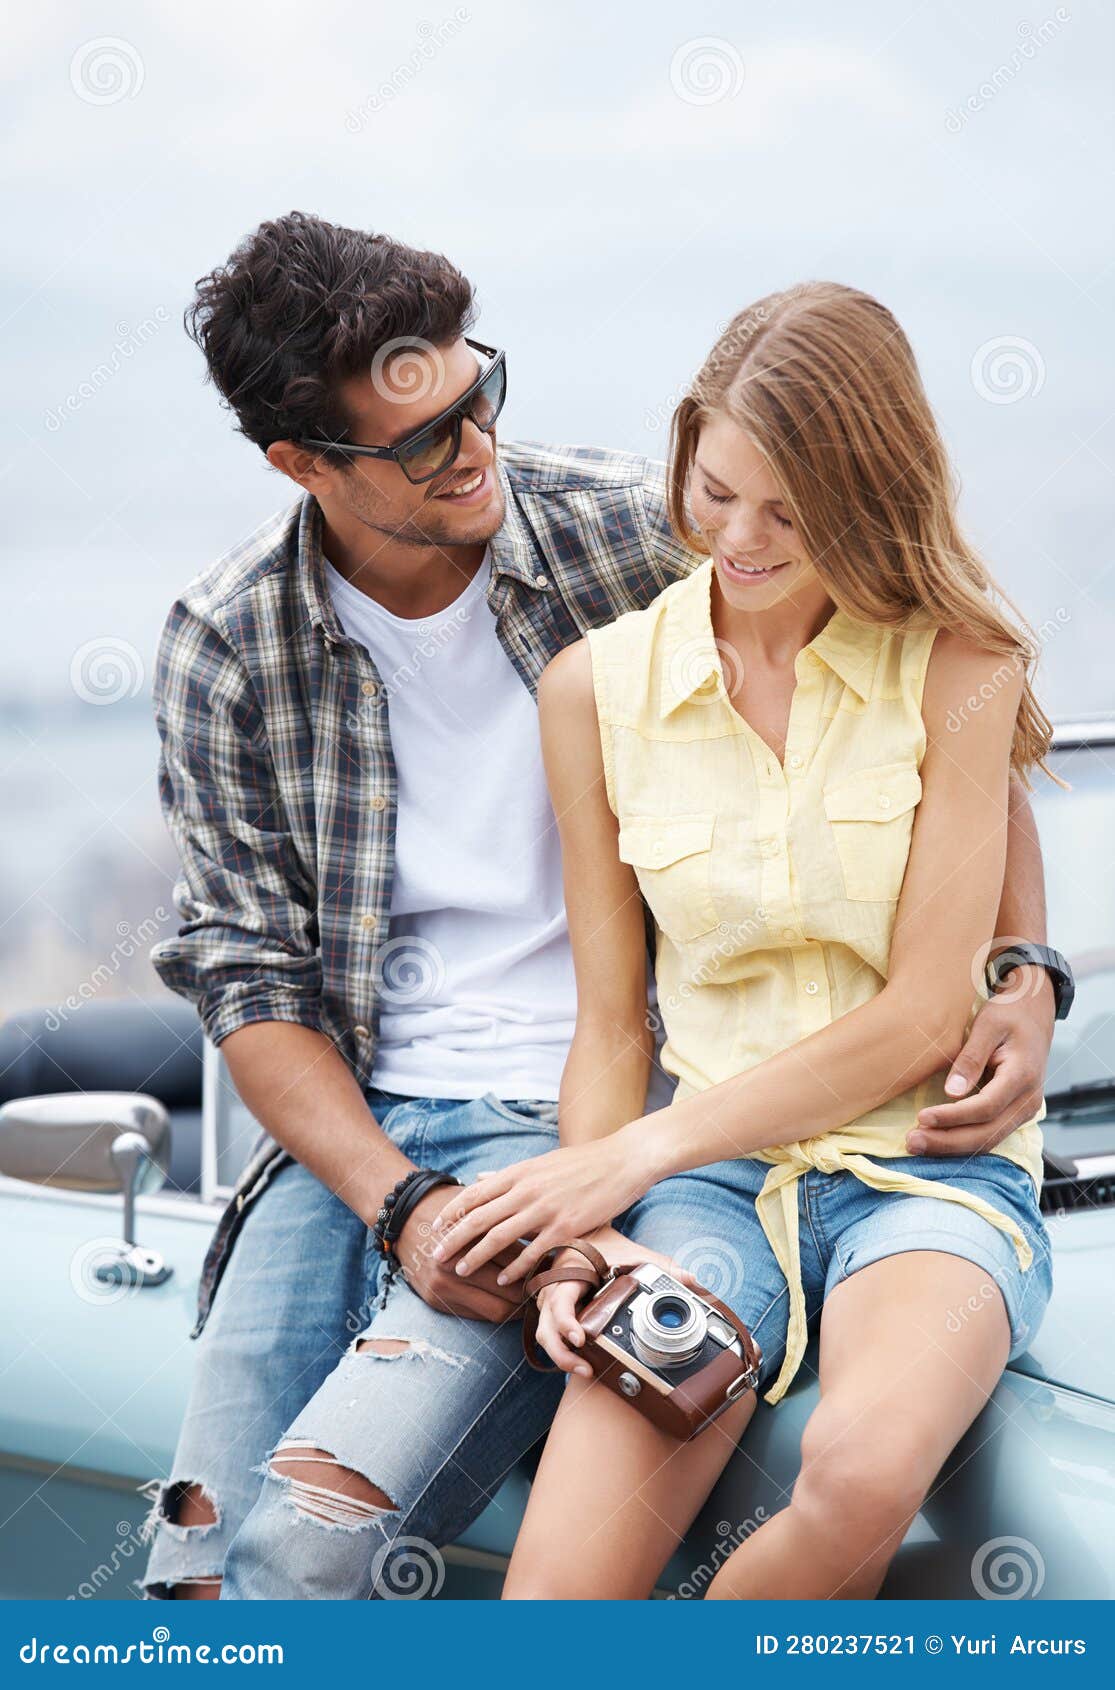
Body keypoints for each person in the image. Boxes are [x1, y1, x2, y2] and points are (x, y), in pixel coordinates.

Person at [142, 219, 1060, 1599]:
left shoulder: (643, 521)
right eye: (422, 439)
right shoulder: (233, 640)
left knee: (308, 1543)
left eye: (479, 395)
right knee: (204, 1574)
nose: (476, 450)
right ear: (302, 465)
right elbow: (246, 977)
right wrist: (406, 1205)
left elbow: (953, 735)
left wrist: (1027, 967)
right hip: (376, 1132)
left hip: (592, 1123)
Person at [432, 282, 1058, 1600]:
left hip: (930, 1173)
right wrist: (585, 1233)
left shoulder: (962, 666)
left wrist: (625, 1157)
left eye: (792, 509)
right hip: (707, 1200)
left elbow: (924, 1015)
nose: (741, 537)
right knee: (553, 1604)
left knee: (860, 1481)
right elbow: (613, 1024)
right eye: (717, 491)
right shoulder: (594, 692)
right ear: (686, 449)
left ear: (873, 495)